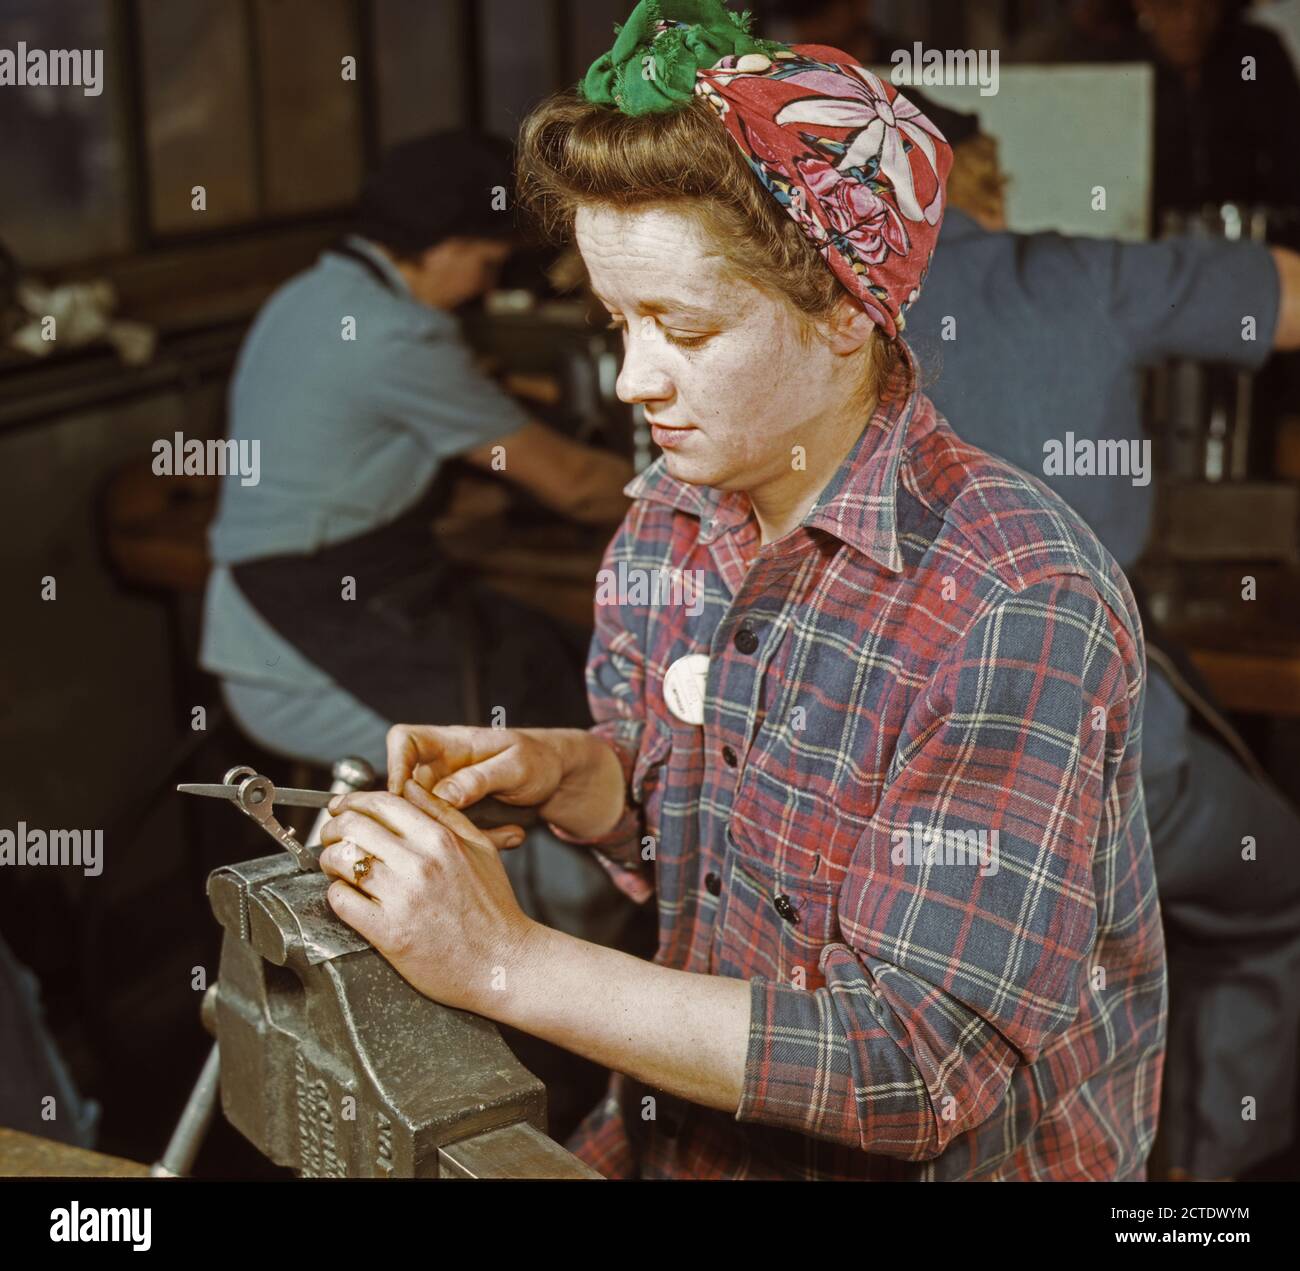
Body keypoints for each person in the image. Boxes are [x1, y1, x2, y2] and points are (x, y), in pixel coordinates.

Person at [314, 1, 1166, 1180]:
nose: (630, 377)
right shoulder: (670, 516)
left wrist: (502, 961)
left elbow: (910, 1065)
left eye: (685, 326)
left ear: (839, 311)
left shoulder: (1012, 602)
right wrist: (582, 775)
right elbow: (712, 840)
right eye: (617, 319)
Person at [903, 99, 1300, 1180]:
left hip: (888, 783)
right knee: (1277, 888)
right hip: (1102, 769)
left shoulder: (802, 304)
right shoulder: (1070, 274)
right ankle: (1215, 1180)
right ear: (974, 169)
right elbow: (1288, 293)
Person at [200, 130, 634, 775]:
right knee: (542, 732)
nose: (485, 290)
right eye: (486, 265)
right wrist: (698, 487)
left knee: (544, 659)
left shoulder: (312, 295)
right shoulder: (395, 335)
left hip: (282, 606)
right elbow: (574, 485)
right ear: (445, 247)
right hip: (300, 651)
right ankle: (550, 871)